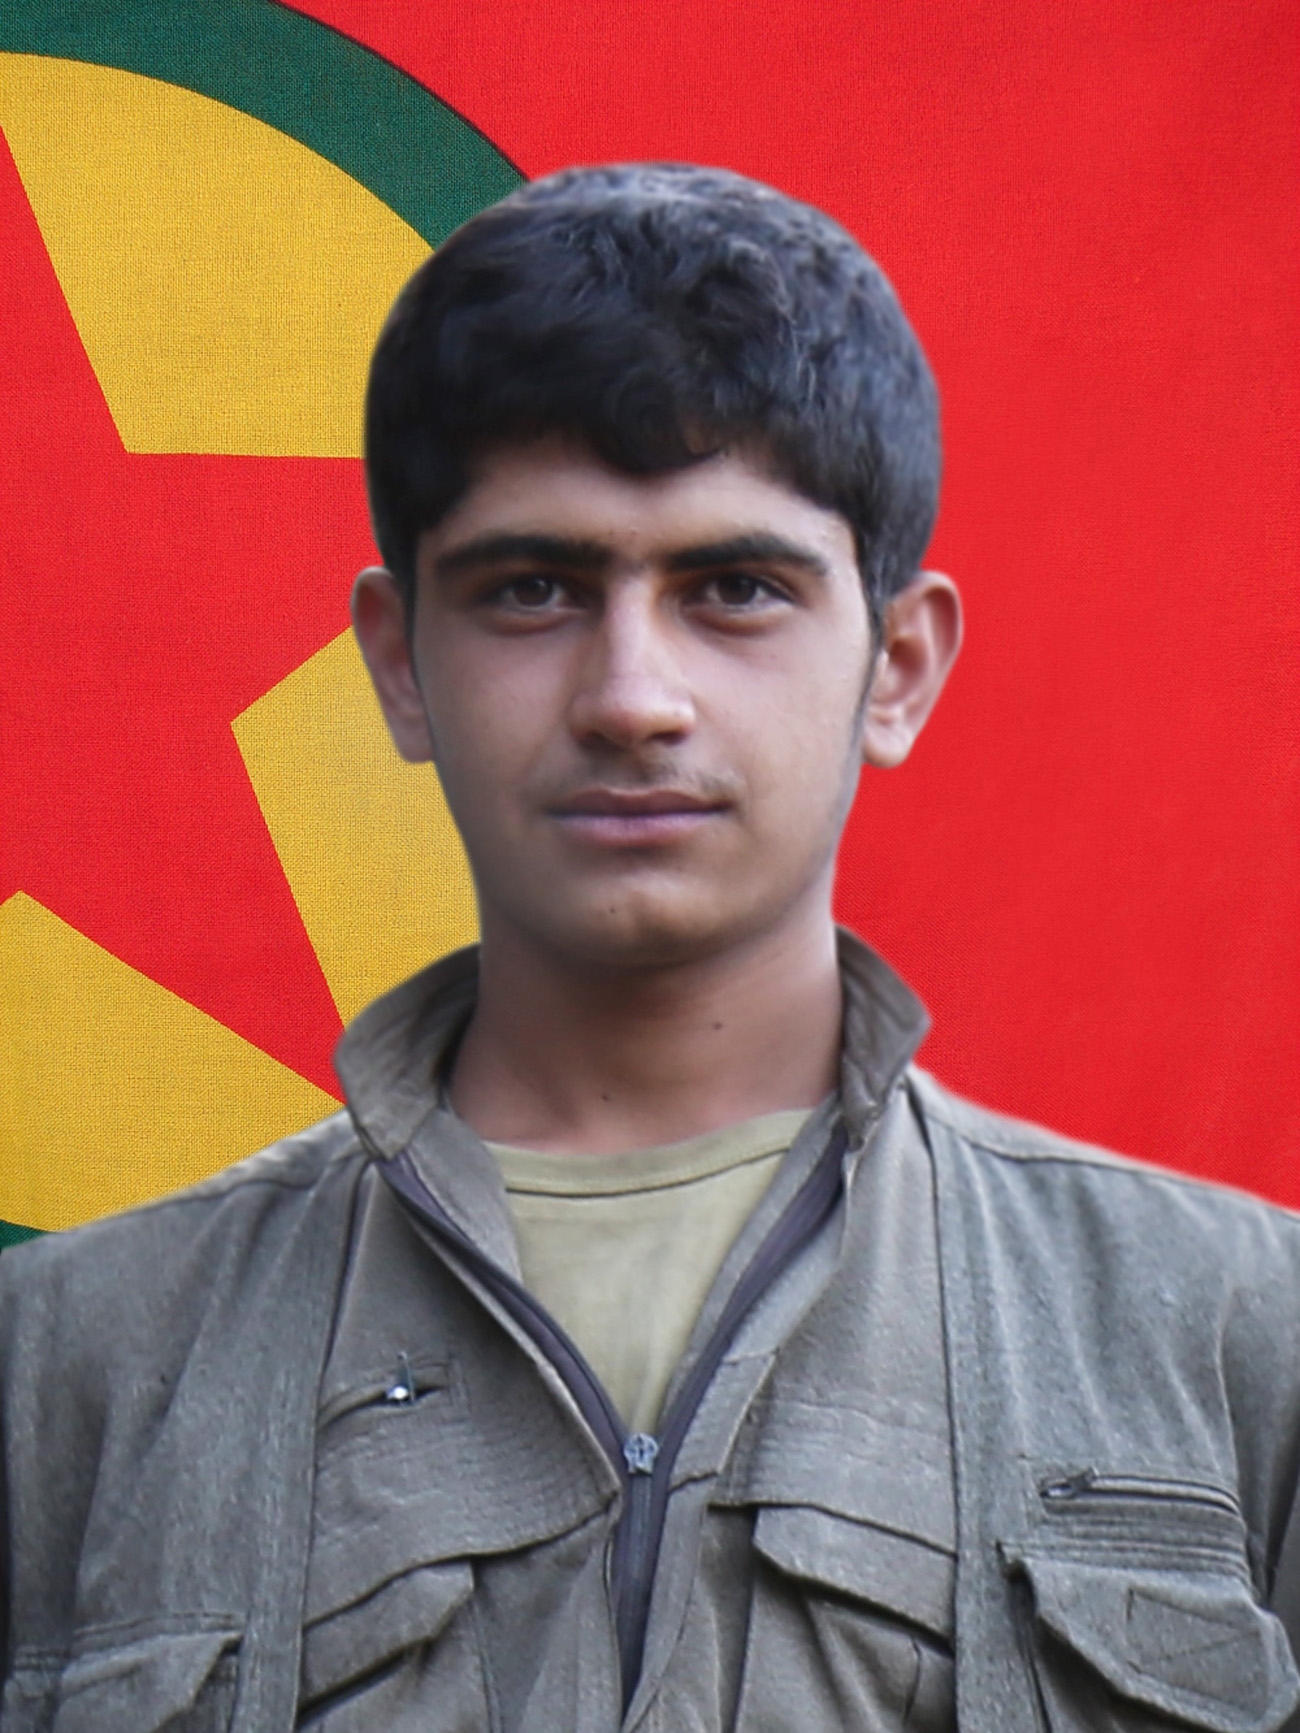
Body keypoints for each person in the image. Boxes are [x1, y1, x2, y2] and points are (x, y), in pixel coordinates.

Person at [2, 163, 1299, 1733]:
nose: (632, 696)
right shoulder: (62, 1368)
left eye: (734, 588)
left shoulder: (1241, 1338)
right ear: (400, 664)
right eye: (532, 589)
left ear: (897, 664)